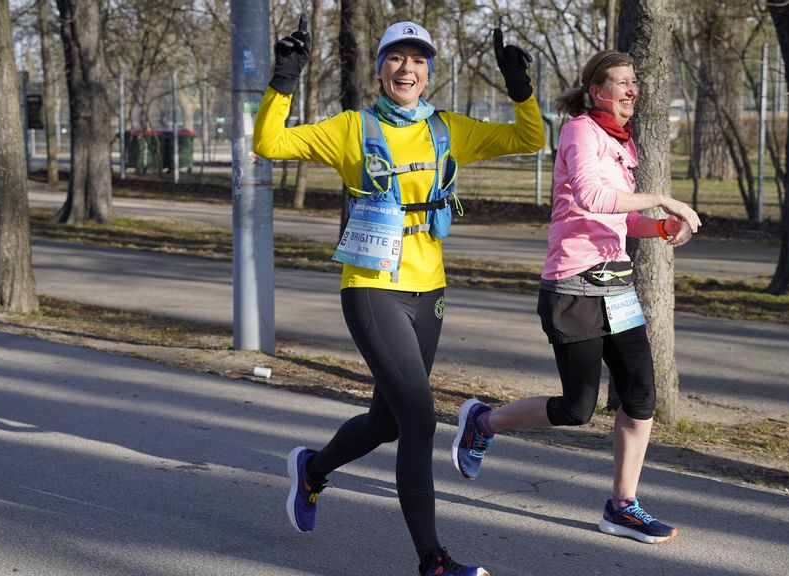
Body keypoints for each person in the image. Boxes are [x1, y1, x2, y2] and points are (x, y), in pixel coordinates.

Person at [254, 17, 544, 576]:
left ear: (429, 71)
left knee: (387, 422)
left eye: (417, 60)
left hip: (428, 288)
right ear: (381, 67)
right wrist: (283, 80)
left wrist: (520, 88)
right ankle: (433, 562)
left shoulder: (447, 128)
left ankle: (313, 469)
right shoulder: (351, 127)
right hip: (371, 287)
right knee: (420, 420)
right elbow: (270, 141)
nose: (406, 69)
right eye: (396, 58)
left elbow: (529, 138)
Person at [450, 50, 701, 545]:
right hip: (573, 285)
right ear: (596, 91)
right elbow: (590, 197)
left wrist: (659, 226)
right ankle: (483, 422)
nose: (632, 91)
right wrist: (664, 198)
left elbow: (619, 216)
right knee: (577, 408)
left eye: (634, 82)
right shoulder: (581, 131)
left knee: (641, 396)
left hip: (618, 286)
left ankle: (622, 506)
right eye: (621, 83)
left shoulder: (621, 143)